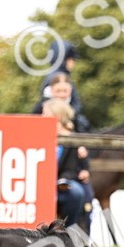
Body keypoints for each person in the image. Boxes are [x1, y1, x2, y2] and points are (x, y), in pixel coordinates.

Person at [42, 99, 91, 233]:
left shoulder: (71, 138)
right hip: (40, 182)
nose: (42, 116)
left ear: (57, 115)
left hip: (60, 183)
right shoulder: (38, 134)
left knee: (76, 192)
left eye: (45, 113)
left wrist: (61, 181)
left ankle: (68, 230)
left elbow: (71, 168)